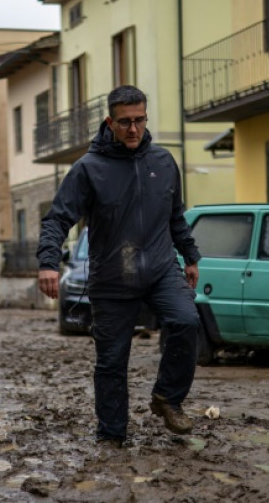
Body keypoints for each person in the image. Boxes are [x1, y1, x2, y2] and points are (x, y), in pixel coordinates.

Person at [37, 85, 202, 447]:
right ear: (110, 122)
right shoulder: (88, 169)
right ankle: (112, 437)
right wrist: (49, 263)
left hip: (160, 269)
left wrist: (190, 256)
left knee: (187, 321)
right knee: (112, 361)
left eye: (140, 120)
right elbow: (57, 219)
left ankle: (167, 399)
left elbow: (176, 216)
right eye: (125, 122)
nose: (133, 129)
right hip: (112, 278)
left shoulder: (163, 163)